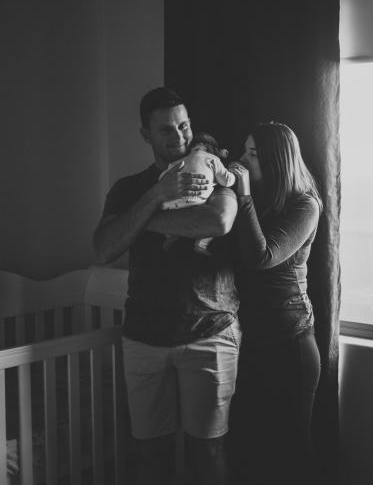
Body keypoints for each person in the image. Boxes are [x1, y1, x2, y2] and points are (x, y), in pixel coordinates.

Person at [93, 87, 240, 485]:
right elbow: (104, 248)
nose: (180, 138)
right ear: (145, 135)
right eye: (167, 131)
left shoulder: (210, 170)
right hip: (143, 336)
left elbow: (217, 223)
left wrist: (137, 223)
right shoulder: (128, 188)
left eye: (184, 126)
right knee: (149, 455)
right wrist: (158, 194)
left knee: (207, 455)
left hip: (209, 330)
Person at [227, 122, 322, 485]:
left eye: (252, 154)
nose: (242, 159)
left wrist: (245, 195)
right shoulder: (260, 201)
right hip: (251, 342)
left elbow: (262, 256)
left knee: (293, 453)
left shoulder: (304, 204)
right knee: (254, 452)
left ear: (274, 160)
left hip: (290, 344)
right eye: (245, 150)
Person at [159, 131, 236, 255]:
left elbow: (163, 178)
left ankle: (171, 236)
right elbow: (226, 181)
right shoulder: (213, 159)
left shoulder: (181, 160)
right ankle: (202, 243)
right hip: (197, 200)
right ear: (210, 149)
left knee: (167, 214)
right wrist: (232, 174)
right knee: (217, 218)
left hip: (173, 202)